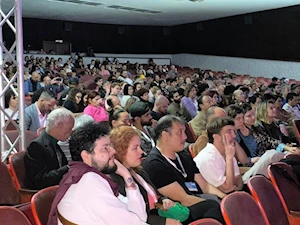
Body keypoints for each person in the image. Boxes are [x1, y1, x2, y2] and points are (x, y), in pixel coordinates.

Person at [48, 122, 148, 225]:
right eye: (105, 148)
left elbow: (139, 217)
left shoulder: (86, 176)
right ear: (86, 156)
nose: (113, 151)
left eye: (111, 146)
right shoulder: (89, 183)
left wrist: (126, 175)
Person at [143, 115, 226, 224]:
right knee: (212, 206)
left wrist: (225, 199)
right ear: (165, 135)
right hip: (180, 211)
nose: (185, 137)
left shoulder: (183, 155)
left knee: (225, 202)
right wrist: (220, 206)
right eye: (180, 133)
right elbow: (184, 199)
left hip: (196, 198)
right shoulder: (154, 164)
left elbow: (205, 185)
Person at [110, 126, 182, 225]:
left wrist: (164, 200)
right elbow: (133, 217)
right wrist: (164, 222)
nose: (142, 152)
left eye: (140, 147)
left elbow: (156, 195)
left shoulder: (138, 171)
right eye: (135, 148)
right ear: (120, 152)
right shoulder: (115, 181)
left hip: (159, 213)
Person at [24, 108, 74, 190]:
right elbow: (40, 180)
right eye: (69, 129)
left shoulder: (54, 142)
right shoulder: (36, 146)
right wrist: (68, 168)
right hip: (45, 193)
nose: (71, 132)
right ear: (60, 125)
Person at [193, 117, 244, 193]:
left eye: (234, 131)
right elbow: (228, 188)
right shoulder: (207, 159)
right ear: (216, 137)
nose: (234, 135)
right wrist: (229, 158)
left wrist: (237, 189)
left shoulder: (227, 151)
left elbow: (239, 182)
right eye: (229, 132)